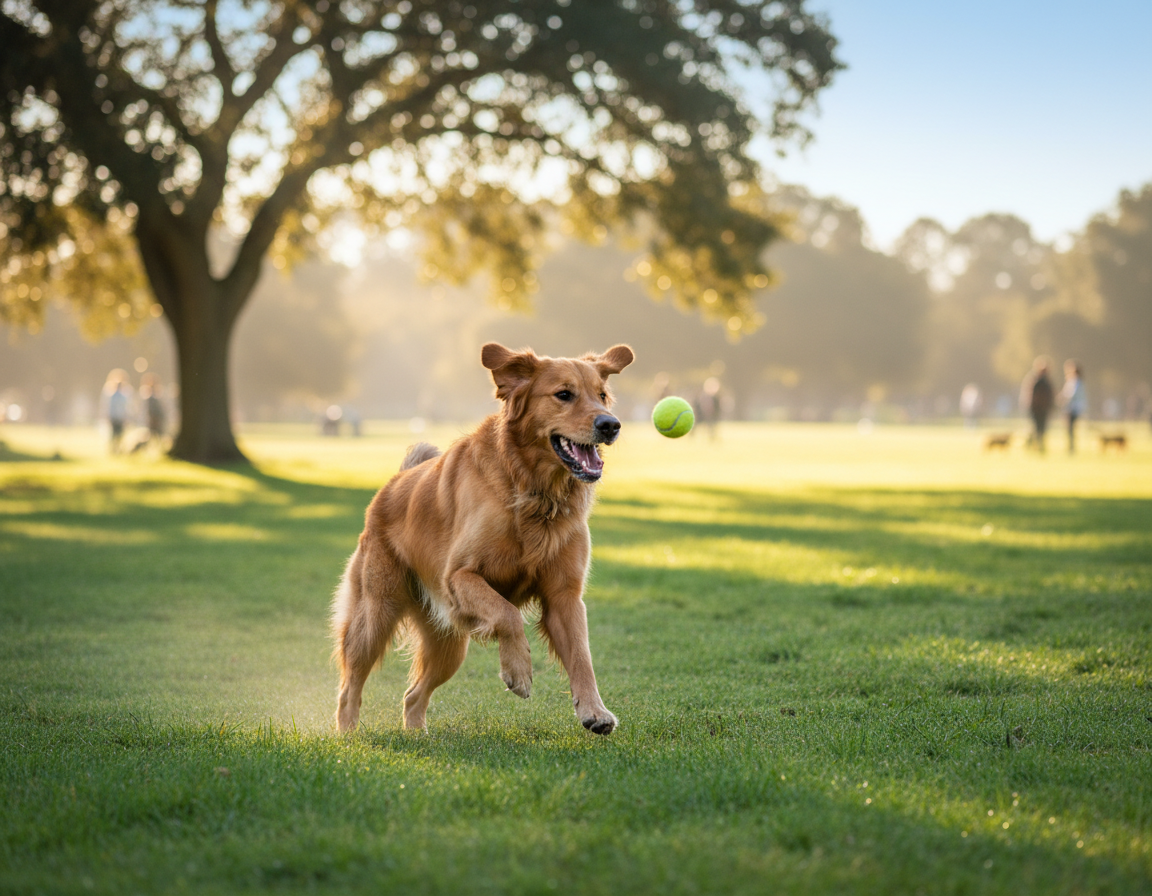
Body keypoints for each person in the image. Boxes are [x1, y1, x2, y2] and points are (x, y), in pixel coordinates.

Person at [1020, 357, 1054, 453]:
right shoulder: (1035, 380)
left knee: (1041, 429)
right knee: (1036, 428)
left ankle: (1037, 446)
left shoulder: (1046, 381)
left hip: (1043, 409)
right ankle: (1034, 446)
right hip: (1036, 409)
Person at [1060, 360, 1086, 454]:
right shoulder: (1074, 381)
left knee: (1070, 429)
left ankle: (1071, 448)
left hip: (1072, 409)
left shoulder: (1076, 382)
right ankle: (1071, 447)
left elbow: (1071, 395)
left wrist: (1062, 399)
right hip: (1072, 409)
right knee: (1070, 429)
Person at [103, 369, 131, 454]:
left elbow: (126, 408)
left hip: (121, 418)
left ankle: (119, 449)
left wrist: (126, 417)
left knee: (120, 435)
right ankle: (114, 450)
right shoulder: (111, 395)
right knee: (114, 435)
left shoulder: (125, 395)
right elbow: (109, 407)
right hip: (114, 418)